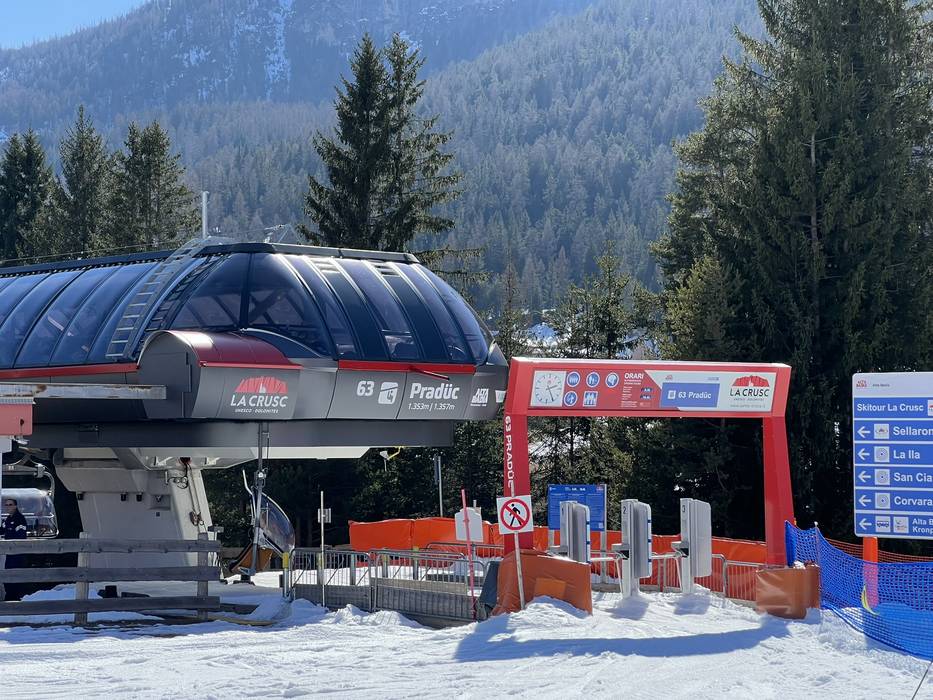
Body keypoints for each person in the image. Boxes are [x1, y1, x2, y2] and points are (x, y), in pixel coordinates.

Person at [2, 498, 28, 601]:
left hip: (17, 553)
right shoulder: (8, 518)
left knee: (15, 574)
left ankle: (14, 599)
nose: (8, 507)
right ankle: (9, 597)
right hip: (9, 553)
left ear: (15, 506)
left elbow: (21, 536)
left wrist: (12, 543)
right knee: (8, 574)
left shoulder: (19, 519)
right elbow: (2, 530)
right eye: (6, 505)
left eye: (10, 504)